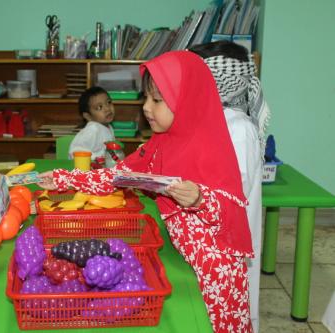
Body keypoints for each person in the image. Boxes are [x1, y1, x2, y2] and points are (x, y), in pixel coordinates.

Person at [39, 51, 254, 332]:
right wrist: (65, 178)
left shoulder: (210, 146)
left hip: (215, 273)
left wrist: (201, 198)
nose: (146, 108)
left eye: (157, 100)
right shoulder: (161, 142)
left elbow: (230, 212)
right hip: (185, 260)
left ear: (186, 100)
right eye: (145, 98)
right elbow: (118, 177)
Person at [189, 40, 270, 333]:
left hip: (227, 245)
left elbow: (230, 191)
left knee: (231, 313)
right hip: (205, 243)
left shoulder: (238, 128)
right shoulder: (207, 120)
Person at [68, 86, 116, 160]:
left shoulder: (107, 126)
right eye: (99, 107)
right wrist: (97, 159)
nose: (107, 108)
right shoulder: (92, 130)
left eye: (108, 102)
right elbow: (75, 152)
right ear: (88, 116)